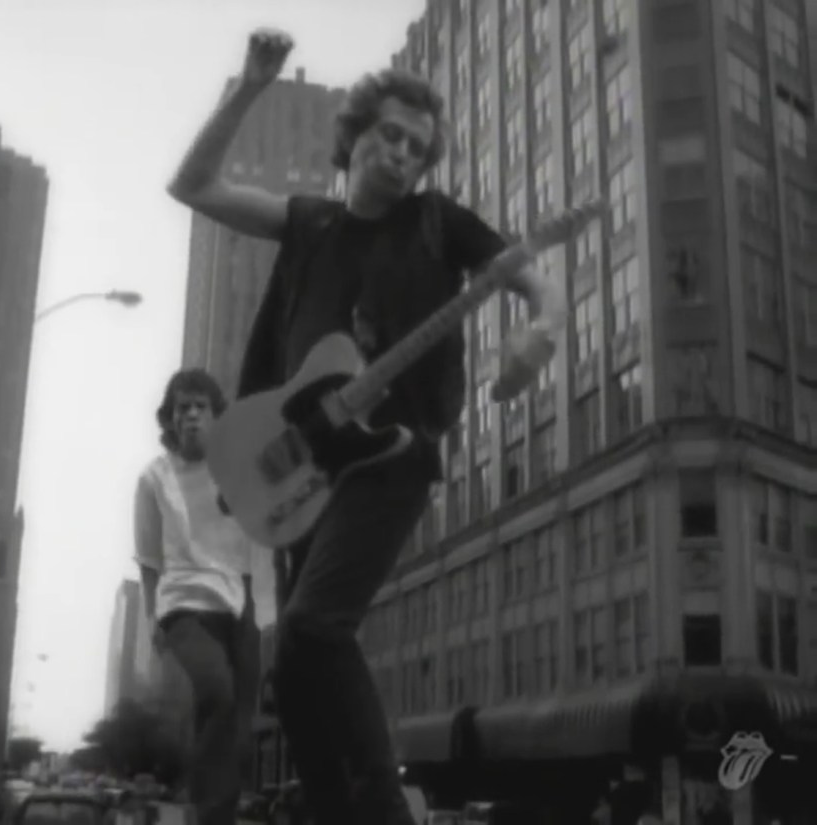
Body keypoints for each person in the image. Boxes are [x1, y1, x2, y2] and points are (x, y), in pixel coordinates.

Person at [167, 29, 565, 825]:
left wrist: (540, 334)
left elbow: (540, 285)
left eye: (418, 147)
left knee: (316, 624)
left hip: (392, 455)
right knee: (293, 664)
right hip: (305, 462)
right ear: (354, 135)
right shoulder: (309, 222)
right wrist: (250, 86)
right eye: (390, 134)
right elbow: (194, 185)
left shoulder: (439, 223)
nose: (403, 154)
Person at [133, 368, 261, 825]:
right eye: (181, 408)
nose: (190, 415)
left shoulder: (238, 468)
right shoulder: (153, 479)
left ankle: (215, 811)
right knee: (216, 689)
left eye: (200, 407)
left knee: (240, 726)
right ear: (170, 419)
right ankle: (209, 816)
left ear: (215, 415)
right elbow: (148, 559)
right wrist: (153, 618)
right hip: (182, 605)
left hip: (239, 600)